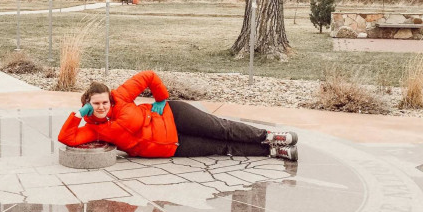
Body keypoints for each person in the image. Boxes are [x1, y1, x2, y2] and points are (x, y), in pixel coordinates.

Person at [58, 71, 298, 160]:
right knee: (223, 148)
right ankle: (272, 151)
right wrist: (78, 114)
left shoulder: (120, 96)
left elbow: (148, 76)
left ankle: (270, 135)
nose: (102, 107)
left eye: (104, 102)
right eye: (96, 104)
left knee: (222, 128)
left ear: (110, 99)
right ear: (89, 105)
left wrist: (161, 99)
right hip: (171, 147)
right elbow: (66, 138)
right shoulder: (93, 127)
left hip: (174, 116)